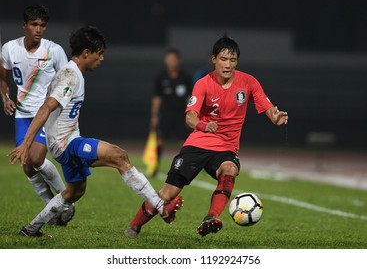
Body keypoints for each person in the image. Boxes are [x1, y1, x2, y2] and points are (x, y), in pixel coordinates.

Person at [8, 26, 183, 237]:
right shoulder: (69, 76)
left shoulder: (75, 74)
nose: (101, 59)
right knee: (119, 156)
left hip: (68, 141)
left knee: (75, 192)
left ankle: (31, 229)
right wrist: (27, 143)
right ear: (86, 53)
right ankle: (161, 207)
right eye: (99, 54)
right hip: (66, 145)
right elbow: (46, 107)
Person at [124, 35, 288, 238]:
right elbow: (190, 117)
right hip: (198, 144)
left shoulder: (249, 82)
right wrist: (203, 125)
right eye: (223, 59)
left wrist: (276, 117)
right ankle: (134, 226)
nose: (228, 65)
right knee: (167, 194)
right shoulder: (203, 83)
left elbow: (269, 108)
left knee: (230, 169)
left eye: (233, 60)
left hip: (226, 148)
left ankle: (211, 218)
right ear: (214, 59)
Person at [0, 4, 74, 225]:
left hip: (46, 113)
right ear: (24, 25)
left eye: (42, 25)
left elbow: (68, 78)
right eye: (34, 24)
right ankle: (52, 209)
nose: (38, 29)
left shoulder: (54, 51)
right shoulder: (9, 49)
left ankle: (67, 201)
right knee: (26, 166)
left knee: (36, 158)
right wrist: (5, 99)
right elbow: (3, 78)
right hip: (22, 114)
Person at [149, 48, 192, 177]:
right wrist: (155, 115)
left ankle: (184, 169)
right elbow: (157, 98)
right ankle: (155, 167)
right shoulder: (161, 77)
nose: (171, 62)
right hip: (165, 114)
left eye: (174, 59)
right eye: (169, 59)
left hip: (181, 115)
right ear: (165, 60)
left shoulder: (186, 77)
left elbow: (190, 97)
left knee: (184, 142)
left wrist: (191, 113)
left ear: (179, 61)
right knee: (160, 141)